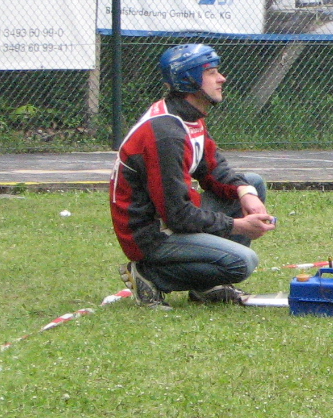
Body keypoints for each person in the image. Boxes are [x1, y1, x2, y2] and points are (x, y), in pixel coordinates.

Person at [111, 44, 275, 307]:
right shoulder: (166, 134)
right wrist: (237, 226)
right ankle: (150, 274)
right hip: (152, 235)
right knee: (242, 262)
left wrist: (245, 193)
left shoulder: (189, 115)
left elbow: (213, 168)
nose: (222, 78)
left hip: (171, 219)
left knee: (252, 183)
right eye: (211, 72)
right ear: (188, 80)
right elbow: (178, 215)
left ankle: (208, 287)